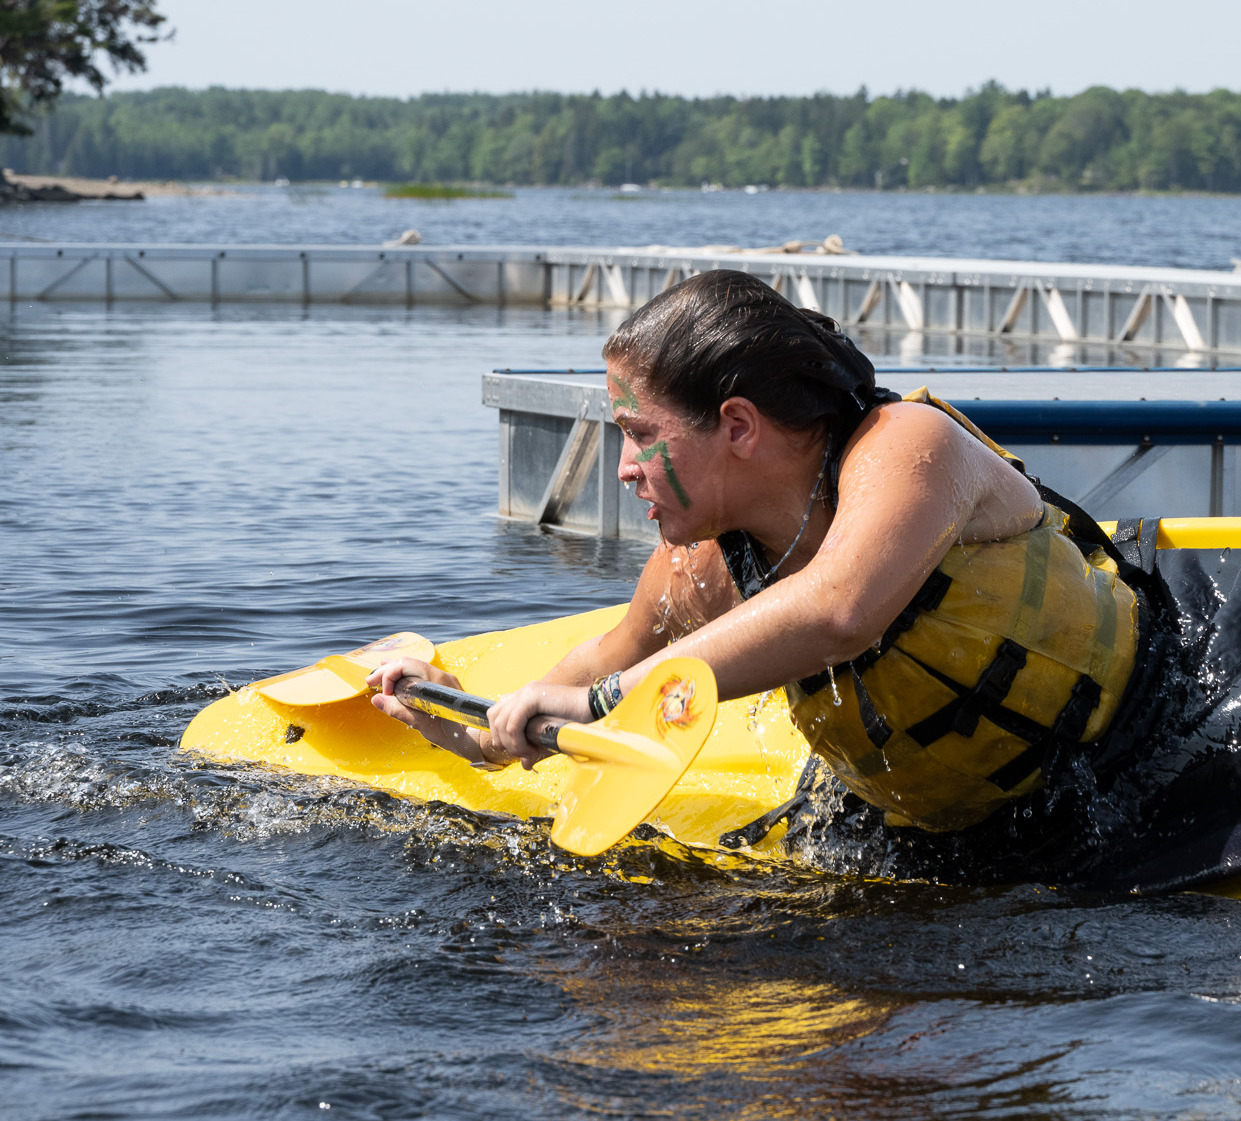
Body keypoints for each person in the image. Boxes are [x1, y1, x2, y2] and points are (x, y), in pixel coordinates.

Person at [369, 269, 1168, 859]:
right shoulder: (701, 570)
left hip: (1147, 741)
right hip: (940, 835)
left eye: (640, 433)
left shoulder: (910, 447)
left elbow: (839, 609)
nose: (624, 467)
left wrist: (605, 700)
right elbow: (594, 668)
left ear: (739, 425)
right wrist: (466, 721)